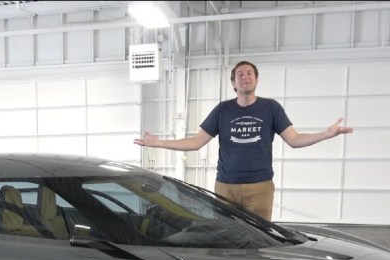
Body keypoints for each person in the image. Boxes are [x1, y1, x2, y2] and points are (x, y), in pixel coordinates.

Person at [134, 60, 353, 221]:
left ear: (256, 79)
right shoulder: (222, 110)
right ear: (233, 83)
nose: (245, 77)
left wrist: (326, 134)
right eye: (240, 74)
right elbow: (197, 142)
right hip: (225, 187)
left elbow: (294, 139)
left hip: (260, 187)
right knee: (225, 234)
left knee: (259, 237)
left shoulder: (271, 108)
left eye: (250, 73)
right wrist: (159, 143)